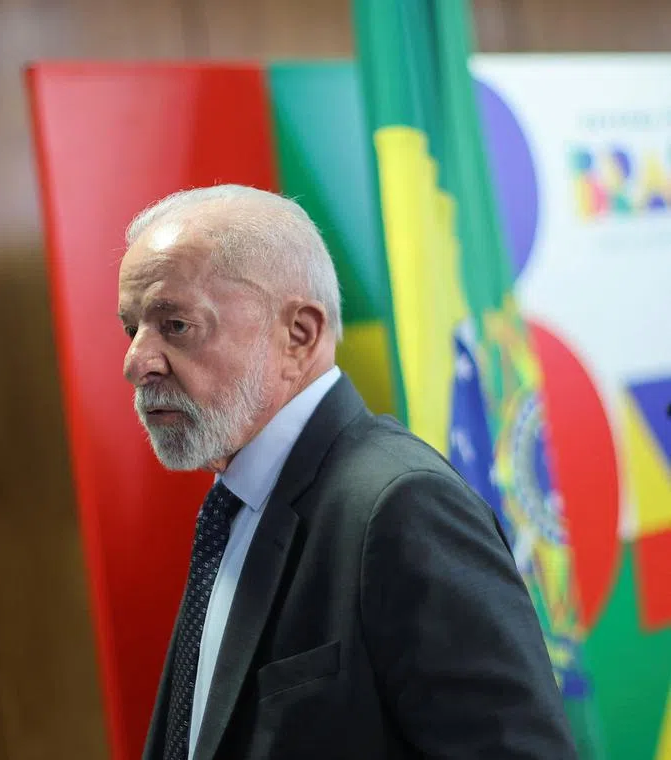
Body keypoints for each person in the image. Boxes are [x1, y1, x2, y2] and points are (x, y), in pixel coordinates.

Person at [117, 185, 578, 760]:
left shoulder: (403, 505)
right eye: (132, 329)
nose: (136, 362)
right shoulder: (232, 506)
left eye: (176, 325)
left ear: (299, 334)